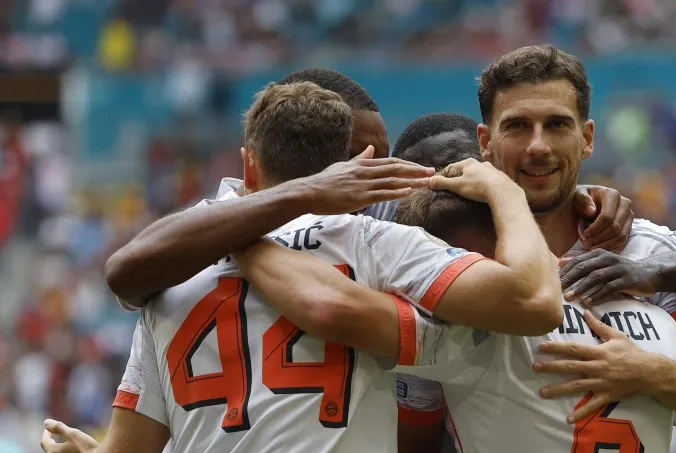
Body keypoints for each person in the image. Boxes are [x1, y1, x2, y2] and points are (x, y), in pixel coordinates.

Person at [43, 80, 572, 453]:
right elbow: (530, 298)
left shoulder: (171, 279)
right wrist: (507, 191)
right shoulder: (375, 246)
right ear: (350, 163)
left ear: (248, 166)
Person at [380, 111, 676, 453]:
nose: (440, 191)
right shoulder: (425, 294)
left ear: (491, 170)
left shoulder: (636, 249)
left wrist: (649, 365)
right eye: (424, 183)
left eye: (455, 174)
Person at [102, 69, 635, 311]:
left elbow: (458, 197)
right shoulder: (207, 227)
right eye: (363, 158)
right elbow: (126, 273)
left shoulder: (382, 221)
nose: (377, 172)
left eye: (384, 159)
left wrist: (578, 192)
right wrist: (303, 197)